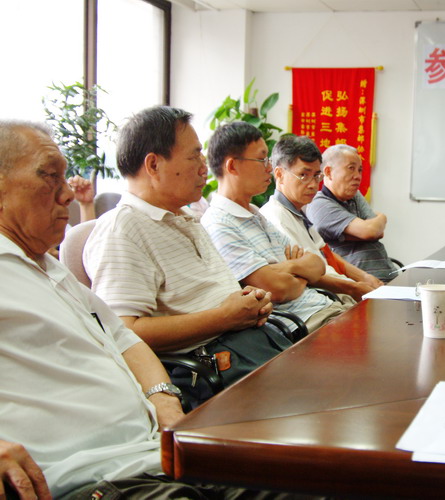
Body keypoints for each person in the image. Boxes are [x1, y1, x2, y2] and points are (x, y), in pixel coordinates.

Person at [0, 120, 257, 499]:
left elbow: (124, 339)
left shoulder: (48, 268)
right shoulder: (121, 230)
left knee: (301, 477)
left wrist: (164, 401)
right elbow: (133, 325)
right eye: (49, 176)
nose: (67, 194)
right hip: (90, 478)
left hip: (154, 451)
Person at [83, 106, 291, 390]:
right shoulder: (123, 229)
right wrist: (225, 317)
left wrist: (250, 304)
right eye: (194, 156)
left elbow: (212, 295)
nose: (204, 168)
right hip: (213, 368)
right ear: (154, 165)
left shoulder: (184, 217)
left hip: (251, 343)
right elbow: (125, 331)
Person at [201, 122, 352, 333]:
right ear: (232, 166)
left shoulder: (256, 215)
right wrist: (299, 272)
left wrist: (287, 269)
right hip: (304, 326)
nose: (269, 168)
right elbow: (278, 289)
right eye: (262, 160)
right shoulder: (219, 224)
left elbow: (317, 264)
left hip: (326, 309)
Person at [260, 136, 383, 302]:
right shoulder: (276, 218)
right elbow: (307, 275)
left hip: (342, 293)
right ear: (279, 174)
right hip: (325, 300)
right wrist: (353, 288)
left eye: (316, 175)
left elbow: (327, 254)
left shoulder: (298, 211)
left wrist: (365, 277)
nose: (313, 185)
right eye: (303, 175)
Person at [306, 144, 396, 282]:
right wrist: (381, 217)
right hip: (362, 283)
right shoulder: (319, 204)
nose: (357, 176)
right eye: (351, 168)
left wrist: (346, 235)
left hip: (389, 274)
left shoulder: (354, 195)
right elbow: (371, 231)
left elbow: (379, 232)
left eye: (360, 170)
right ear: (328, 172)